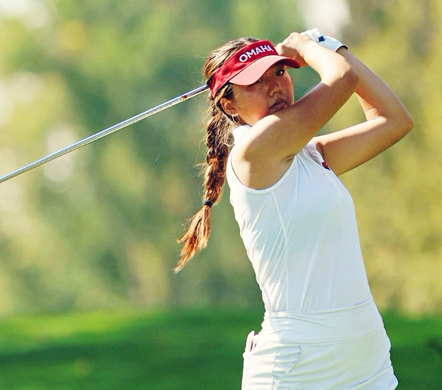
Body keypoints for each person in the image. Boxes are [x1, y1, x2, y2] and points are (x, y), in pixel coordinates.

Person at [176, 29, 413, 389]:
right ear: (229, 105)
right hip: (299, 369)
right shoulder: (253, 154)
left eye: (280, 72)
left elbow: (393, 120)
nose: (274, 86)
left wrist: (331, 46)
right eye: (255, 81)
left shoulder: (312, 155)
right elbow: (342, 79)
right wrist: (308, 46)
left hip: (367, 363)